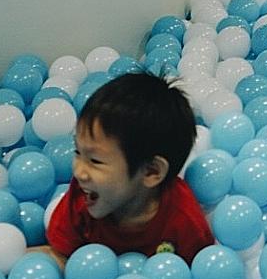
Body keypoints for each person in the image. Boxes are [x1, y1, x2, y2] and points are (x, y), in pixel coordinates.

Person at [42, 73, 213, 264]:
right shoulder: (80, 198)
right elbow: (59, 257)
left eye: (95, 160)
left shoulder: (184, 222)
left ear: (151, 172)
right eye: (77, 152)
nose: (78, 172)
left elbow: (202, 273)